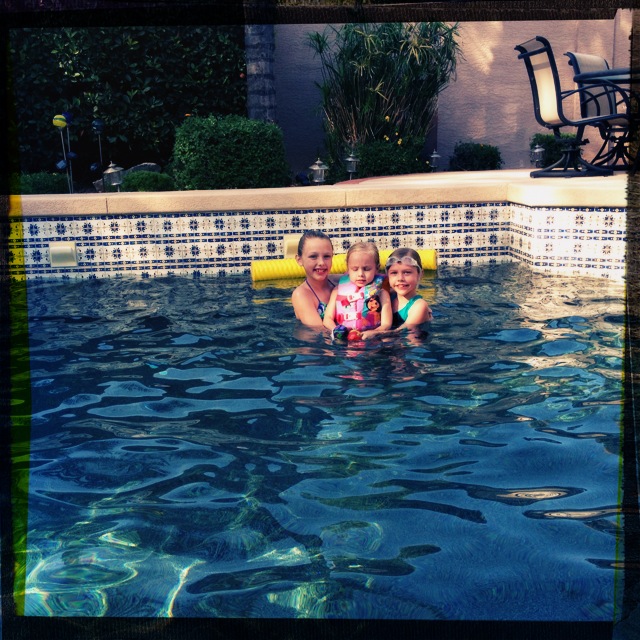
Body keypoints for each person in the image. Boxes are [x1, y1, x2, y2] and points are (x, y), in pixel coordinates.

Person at [323, 241, 392, 340]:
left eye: (366, 269)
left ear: (376, 268)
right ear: (348, 268)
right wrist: (336, 330)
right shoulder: (337, 290)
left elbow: (386, 324)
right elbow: (327, 318)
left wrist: (374, 333)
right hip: (343, 339)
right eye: (355, 269)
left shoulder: (381, 292)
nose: (360, 274)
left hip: (371, 341)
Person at [291, 230, 335, 327]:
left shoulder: (338, 282)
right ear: (299, 260)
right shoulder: (301, 295)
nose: (321, 262)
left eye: (326, 256)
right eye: (313, 256)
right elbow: (319, 331)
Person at [385, 247, 433, 329]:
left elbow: (402, 333)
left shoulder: (419, 306)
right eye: (394, 273)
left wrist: (373, 333)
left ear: (420, 274)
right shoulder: (387, 296)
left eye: (407, 272)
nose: (400, 278)